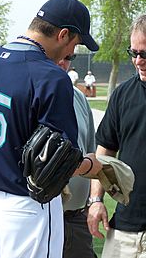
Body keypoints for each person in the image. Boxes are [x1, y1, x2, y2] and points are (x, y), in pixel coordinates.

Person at [0, 0, 102, 258]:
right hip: (28, 207)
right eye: (75, 44)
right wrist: (94, 165)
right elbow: (60, 160)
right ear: (63, 34)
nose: (71, 53)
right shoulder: (50, 76)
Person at [87, 14, 146, 258]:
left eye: (145, 53)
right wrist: (96, 200)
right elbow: (105, 152)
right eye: (134, 53)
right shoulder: (123, 95)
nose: (139, 61)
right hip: (123, 228)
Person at [59, 56, 97, 258]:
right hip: (39, 219)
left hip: (76, 217)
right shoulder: (27, 95)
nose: (62, 62)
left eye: (68, 57)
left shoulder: (78, 97)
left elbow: (91, 152)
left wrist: (94, 201)